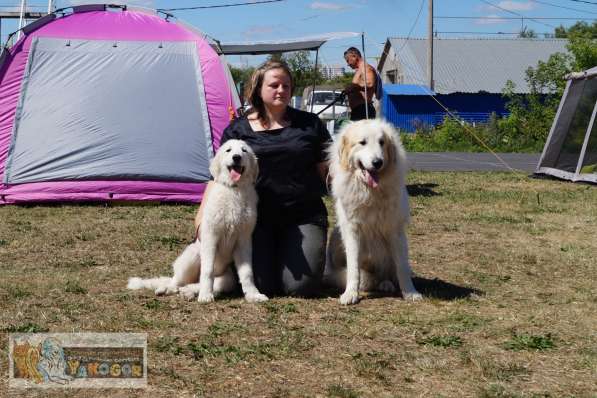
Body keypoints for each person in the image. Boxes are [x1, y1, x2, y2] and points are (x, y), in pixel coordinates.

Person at [194, 60, 332, 297]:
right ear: (258, 88)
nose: (281, 90)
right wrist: (201, 217)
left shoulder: (311, 124)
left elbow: (328, 172)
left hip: (303, 215)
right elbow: (216, 176)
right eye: (274, 85)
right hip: (257, 220)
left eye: (287, 86)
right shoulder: (237, 130)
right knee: (262, 284)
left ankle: (309, 257)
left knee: (301, 288)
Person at [343, 46, 379, 121]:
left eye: (348, 60)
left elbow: (370, 84)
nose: (348, 64)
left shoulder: (366, 68)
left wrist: (353, 87)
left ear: (354, 56)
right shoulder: (360, 70)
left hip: (364, 111)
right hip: (358, 111)